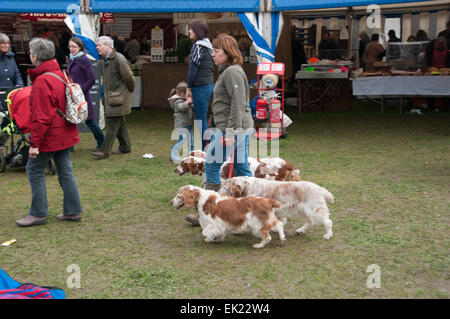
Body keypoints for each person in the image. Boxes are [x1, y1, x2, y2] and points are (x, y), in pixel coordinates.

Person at [185, 33, 254, 226]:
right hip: (234, 128)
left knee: (212, 166)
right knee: (241, 169)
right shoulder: (229, 71)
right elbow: (228, 104)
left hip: (232, 130)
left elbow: (238, 104)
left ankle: (208, 212)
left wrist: (230, 132)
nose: (213, 55)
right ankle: (254, 208)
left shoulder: (231, 72)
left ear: (228, 52)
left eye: (216, 51)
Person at [15, 37, 82, 227]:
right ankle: (72, 210)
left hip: (51, 134)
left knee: (34, 170)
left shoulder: (43, 80)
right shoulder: (60, 73)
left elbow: (41, 117)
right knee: (65, 170)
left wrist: (34, 144)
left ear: (35, 56)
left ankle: (37, 213)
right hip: (64, 131)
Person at [93, 36, 135, 160]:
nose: (97, 47)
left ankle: (105, 150)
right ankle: (125, 147)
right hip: (112, 97)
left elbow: (129, 78)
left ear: (108, 46)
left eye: (99, 45)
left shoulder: (118, 58)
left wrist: (127, 91)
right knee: (119, 122)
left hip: (117, 98)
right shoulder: (106, 59)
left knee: (112, 123)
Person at [66, 37, 104, 151]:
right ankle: (70, 145)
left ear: (80, 48)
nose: (72, 49)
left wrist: (80, 90)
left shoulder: (84, 60)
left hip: (82, 95)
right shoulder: (71, 59)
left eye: (74, 47)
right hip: (72, 95)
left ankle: (102, 141)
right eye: (70, 46)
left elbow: (91, 79)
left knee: (89, 121)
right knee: (71, 120)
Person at [185, 19, 214, 151]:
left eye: (191, 28)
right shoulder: (208, 46)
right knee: (203, 118)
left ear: (197, 31)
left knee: (200, 120)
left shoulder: (198, 46)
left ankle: (202, 150)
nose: (189, 31)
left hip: (200, 87)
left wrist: (188, 88)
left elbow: (193, 69)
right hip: (208, 85)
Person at [168, 81, 193, 162]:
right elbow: (182, 107)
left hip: (187, 125)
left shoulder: (184, 101)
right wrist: (187, 103)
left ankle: (190, 155)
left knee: (190, 141)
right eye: (188, 94)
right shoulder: (178, 102)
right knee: (182, 141)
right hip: (181, 126)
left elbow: (190, 107)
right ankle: (173, 153)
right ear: (182, 94)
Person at [424, 32, 450, 111]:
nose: (441, 46)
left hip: (445, 70)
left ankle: (446, 106)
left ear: (445, 42)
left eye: (443, 44)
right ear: (436, 41)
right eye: (439, 44)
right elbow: (427, 58)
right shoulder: (430, 45)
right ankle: (430, 105)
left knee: (445, 88)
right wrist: (427, 67)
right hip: (432, 69)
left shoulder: (449, 45)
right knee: (431, 88)